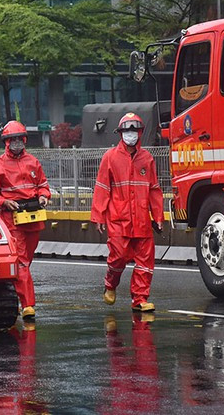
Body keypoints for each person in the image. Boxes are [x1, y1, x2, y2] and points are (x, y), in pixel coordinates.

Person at [91, 113, 164, 312]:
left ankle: (140, 299)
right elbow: (102, 188)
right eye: (126, 131)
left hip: (141, 219)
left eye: (133, 131)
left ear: (139, 133)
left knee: (145, 262)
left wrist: (158, 216)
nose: (130, 134)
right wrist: (98, 215)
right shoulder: (110, 157)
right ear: (121, 133)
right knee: (119, 257)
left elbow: (154, 189)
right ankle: (110, 283)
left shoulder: (147, 159)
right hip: (118, 219)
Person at [0, 120, 51, 321]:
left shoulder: (33, 162)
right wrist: (5, 202)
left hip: (33, 219)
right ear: (6, 141)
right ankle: (28, 305)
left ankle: (14, 290)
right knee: (21, 262)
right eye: (11, 139)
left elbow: (43, 186)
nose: (16, 143)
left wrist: (43, 196)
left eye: (18, 139)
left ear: (24, 139)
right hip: (12, 220)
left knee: (26, 263)